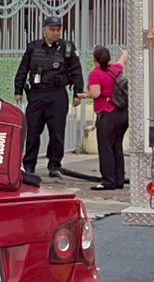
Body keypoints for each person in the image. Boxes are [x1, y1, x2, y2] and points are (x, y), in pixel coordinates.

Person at [14, 15, 85, 178]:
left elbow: (76, 70)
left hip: (57, 94)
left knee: (57, 132)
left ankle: (54, 165)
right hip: (37, 94)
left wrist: (77, 93)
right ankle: (29, 165)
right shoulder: (33, 47)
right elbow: (23, 69)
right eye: (52, 29)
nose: (56, 33)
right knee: (32, 131)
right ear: (44, 30)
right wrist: (18, 90)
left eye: (58, 30)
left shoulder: (67, 48)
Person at [87, 45, 129, 191]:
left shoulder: (95, 74)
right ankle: (119, 180)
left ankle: (108, 181)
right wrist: (124, 53)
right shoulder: (116, 69)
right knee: (117, 146)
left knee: (105, 148)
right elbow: (123, 60)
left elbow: (95, 93)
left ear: (95, 59)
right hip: (122, 114)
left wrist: (83, 95)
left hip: (107, 114)